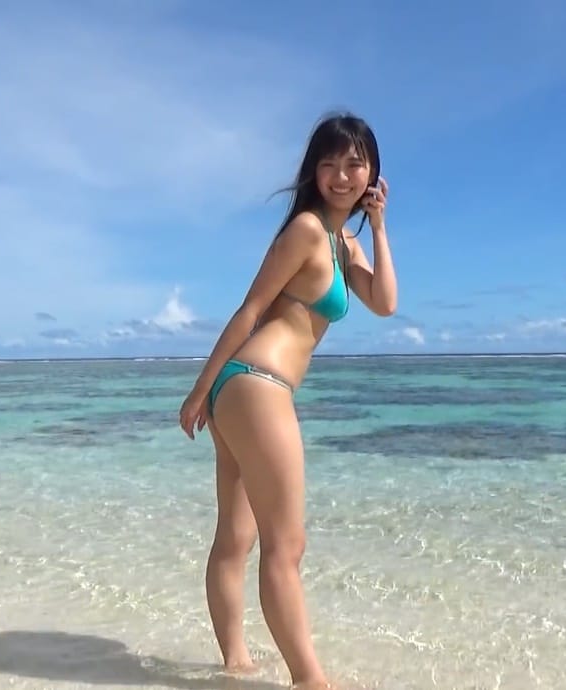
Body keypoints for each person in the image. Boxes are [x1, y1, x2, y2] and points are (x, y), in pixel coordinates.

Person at [178, 111, 398, 689]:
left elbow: (385, 302)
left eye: (354, 164)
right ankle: (311, 681)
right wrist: (199, 389)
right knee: (286, 545)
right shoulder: (306, 230)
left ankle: (235, 666)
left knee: (238, 537)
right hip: (258, 383)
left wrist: (378, 227)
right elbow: (251, 309)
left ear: (372, 173)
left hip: (245, 388)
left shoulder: (344, 243)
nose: (342, 175)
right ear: (312, 172)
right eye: (329, 164)